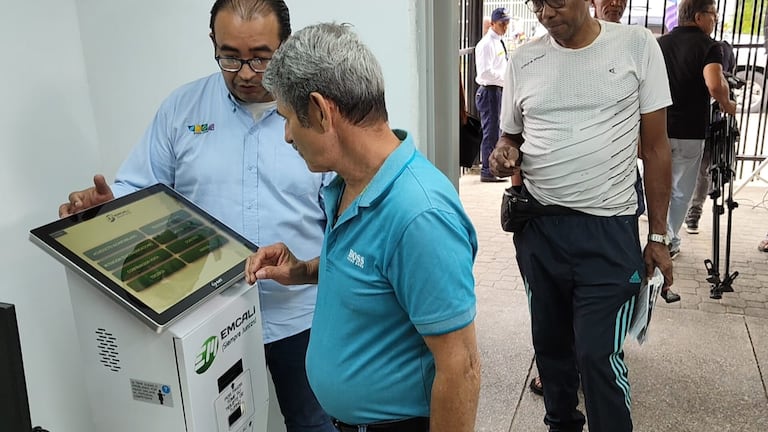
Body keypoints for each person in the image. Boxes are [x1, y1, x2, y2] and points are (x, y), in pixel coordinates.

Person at [57, 1, 336, 431]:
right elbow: (139, 191)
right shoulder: (182, 110)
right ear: (213, 43)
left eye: (261, 58)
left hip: (299, 318)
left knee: (312, 423)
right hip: (206, 319)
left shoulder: (316, 117)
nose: (245, 73)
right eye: (230, 57)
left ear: (286, 46)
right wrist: (105, 208)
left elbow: (343, 221)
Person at [246, 23, 481, 432]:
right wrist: (302, 271)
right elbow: (374, 273)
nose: (286, 136)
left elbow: (462, 368)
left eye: (287, 118)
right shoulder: (350, 184)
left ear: (320, 112)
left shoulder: (419, 215)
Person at [490, 0, 674, 429]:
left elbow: (655, 148)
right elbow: (509, 137)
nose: (545, 13)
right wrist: (503, 155)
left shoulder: (636, 46)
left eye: (554, 1)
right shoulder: (524, 60)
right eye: (536, 3)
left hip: (608, 230)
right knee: (551, 350)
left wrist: (658, 236)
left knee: (597, 354)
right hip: (540, 232)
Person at [658, 0, 737, 259]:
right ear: (699, 16)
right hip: (689, 130)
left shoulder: (660, 44)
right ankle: (668, 239)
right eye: (713, 14)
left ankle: (657, 234)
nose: (715, 20)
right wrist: (727, 104)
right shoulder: (709, 46)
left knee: (658, 184)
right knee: (681, 189)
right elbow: (714, 84)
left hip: (658, 127)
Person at [684, 40, 736, 234]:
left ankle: (686, 214)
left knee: (685, 169)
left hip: (690, 122)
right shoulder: (717, 49)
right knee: (703, 171)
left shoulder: (706, 48)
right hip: (710, 122)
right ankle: (693, 215)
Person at [475, 8, 511, 182]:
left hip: (497, 90)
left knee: (496, 130)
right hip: (490, 90)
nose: (505, 27)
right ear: (492, 24)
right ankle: (487, 170)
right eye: (502, 23)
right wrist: (505, 79)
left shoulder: (498, 41)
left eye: (507, 23)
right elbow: (485, 72)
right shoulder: (487, 44)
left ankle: (492, 169)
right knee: (491, 132)